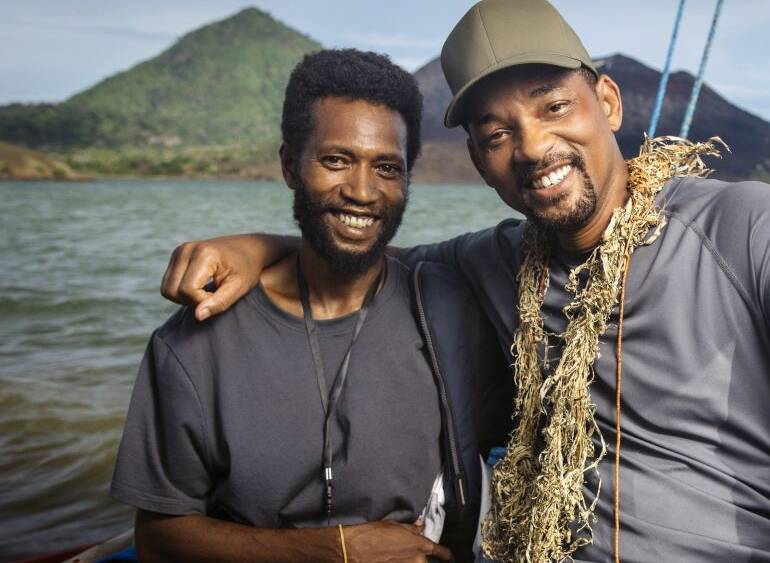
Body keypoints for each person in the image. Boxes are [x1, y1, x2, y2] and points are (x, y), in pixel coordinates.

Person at [158, 1, 770, 561]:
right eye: (496, 133)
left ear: (608, 101)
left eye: (553, 106)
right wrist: (261, 245)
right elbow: (364, 253)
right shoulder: (494, 265)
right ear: (479, 158)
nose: (531, 147)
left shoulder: (746, 226)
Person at [111, 48, 511, 563]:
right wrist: (336, 550)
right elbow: (158, 539)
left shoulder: (450, 310)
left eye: (386, 168)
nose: (362, 191)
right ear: (290, 165)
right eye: (336, 160)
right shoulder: (195, 343)